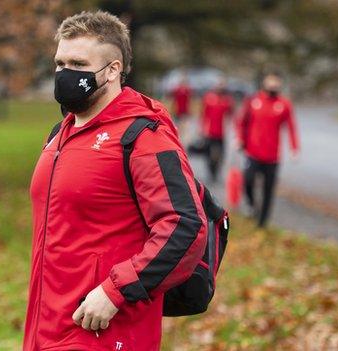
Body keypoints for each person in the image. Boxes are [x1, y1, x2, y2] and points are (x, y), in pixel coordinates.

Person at [24, 11, 207, 350]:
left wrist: (116, 290)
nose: (65, 74)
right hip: (46, 328)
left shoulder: (144, 137)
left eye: (78, 64)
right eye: (59, 63)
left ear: (112, 70)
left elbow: (185, 226)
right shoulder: (59, 135)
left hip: (103, 333)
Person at [236, 70, 300, 227]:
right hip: (252, 152)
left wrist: (294, 147)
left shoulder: (284, 104)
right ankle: (252, 205)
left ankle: (262, 222)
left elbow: (291, 127)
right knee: (248, 181)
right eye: (270, 81)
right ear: (264, 82)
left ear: (280, 84)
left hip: (272, 156)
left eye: (276, 82)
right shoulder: (253, 100)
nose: (273, 84)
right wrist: (240, 139)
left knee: (268, 190)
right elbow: (242, 122)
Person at [194, 77, 235, 182]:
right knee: (208, 154)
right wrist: (201, 128)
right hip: (209, 132)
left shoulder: (228, 99)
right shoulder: (208, 97)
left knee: (220, 154)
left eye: (223, 85)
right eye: (219, 85)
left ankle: (216, 171)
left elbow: (231, 114)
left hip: (221, 133)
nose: (220, 87)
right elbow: (203, 114)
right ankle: (211, 171)